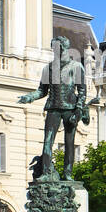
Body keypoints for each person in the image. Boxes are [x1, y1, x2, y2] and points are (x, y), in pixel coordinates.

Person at [18, 36, 89, 179]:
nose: (54, 51)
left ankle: (68, 174)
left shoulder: (75, 67)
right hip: (53, 107)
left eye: (57, 48)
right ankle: (46, 172)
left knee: (69, 143)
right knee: (47, 141)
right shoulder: (48, 68)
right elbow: (42, 91)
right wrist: (30, 97)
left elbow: (82, 91)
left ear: (63, 48)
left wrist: (78, 110)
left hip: (70, 108)